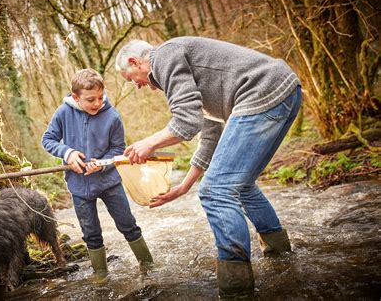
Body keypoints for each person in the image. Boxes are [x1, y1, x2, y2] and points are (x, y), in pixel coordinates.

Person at [115, 37, 302, 297]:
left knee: (216, 191)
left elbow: (186, 122)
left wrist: (149, 144)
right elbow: (209, 134)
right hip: (285, 90)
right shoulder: (185, 71)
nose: (137, 86)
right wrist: (184, 187)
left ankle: (236, 291)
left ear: (135, 61)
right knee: (242, 185)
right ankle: (281, 256)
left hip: (261, 92)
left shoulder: (165, 56)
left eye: (131, 78)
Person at [42, 68, 153, 282]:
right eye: (90, 99)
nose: (97, 103)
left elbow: (118, 149)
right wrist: (68, 152)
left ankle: (148, 265)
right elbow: (48, 140)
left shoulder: (112, 116)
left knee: (127, 224)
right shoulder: (63, 113)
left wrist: (101, 165)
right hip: (79, 187)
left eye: (101, 97)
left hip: (110, 183)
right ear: (75, 97)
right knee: (90, 233)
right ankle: (101, 276)